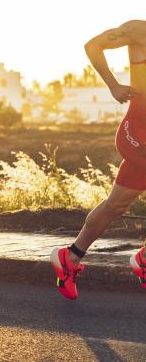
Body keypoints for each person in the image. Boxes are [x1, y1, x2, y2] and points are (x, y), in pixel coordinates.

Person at [50, 20, 146, 299]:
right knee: (116, 204)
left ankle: (70, 257)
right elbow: (93, 46)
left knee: (116, 204)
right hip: (135, 131)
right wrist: (113, 86)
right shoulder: (139, 30)